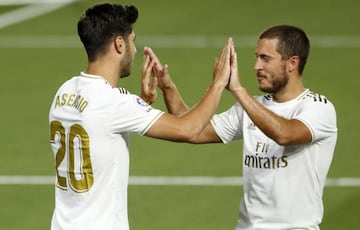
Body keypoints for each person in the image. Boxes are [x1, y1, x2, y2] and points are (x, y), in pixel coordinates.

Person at [48, 3, 233, 230]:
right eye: (132, 41)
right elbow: (189, 129)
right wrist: (219, 82)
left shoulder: (64, 91)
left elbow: (100, 130)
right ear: (119, 44)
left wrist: (142, 102)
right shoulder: (116, 104)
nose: (134, 50)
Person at [144, 25, 337, 229]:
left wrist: (237, 90)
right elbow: (193, 130)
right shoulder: (250, 107)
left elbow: (285, 134)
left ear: (292, 63)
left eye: (266, 58)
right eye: (257, 57)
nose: (256, 66)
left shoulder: (318, 108)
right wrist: (168, 87)